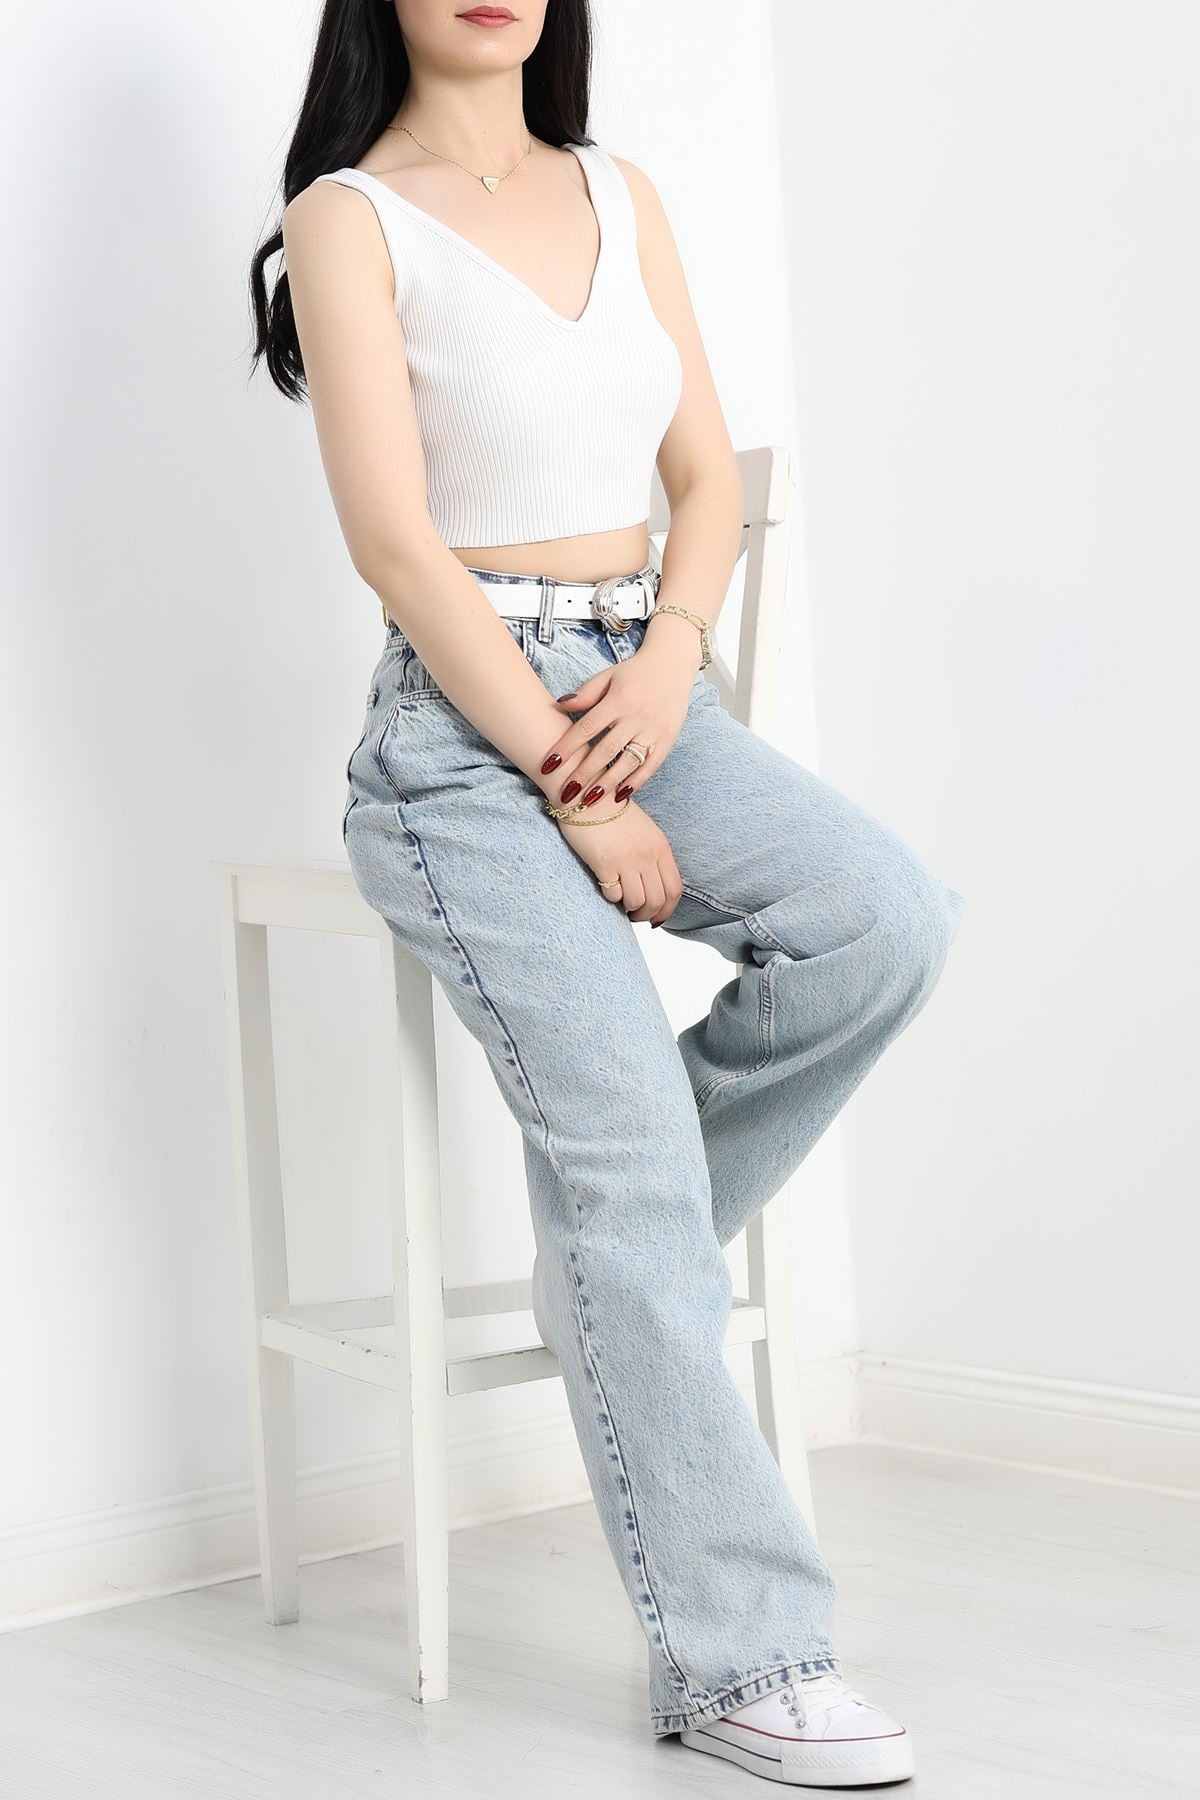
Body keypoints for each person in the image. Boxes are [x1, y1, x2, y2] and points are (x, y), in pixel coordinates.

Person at [250, 0, 964, 1784]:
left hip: (644, 684)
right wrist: (579, 791)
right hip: (459, 732)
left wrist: (668, 661)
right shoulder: (349, 216)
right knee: (628, 1174)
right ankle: (746, 1661)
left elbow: (703, 477)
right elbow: (396, 544)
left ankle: (619, 1235)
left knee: (884, 920)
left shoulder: (619, 190)